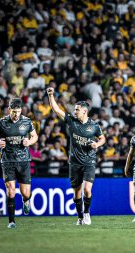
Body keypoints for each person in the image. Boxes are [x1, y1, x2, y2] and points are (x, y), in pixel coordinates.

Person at [46, 87, 106, 225]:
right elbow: (56, 110)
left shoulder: (94, 126)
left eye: (77, 109)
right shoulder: (72, 121)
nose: (75, 111)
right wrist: (51, 95)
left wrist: (97, 144)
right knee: (77, 193)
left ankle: (86, 213)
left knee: (87, 189)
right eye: (75, 109)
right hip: (74, 162)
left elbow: (102, 139)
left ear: (85, 111)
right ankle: (80, 216)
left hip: (89, 161)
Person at [0, 98, 38, 228]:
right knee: (11, 190)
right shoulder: (2, 123)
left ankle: (26, 200)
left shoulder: (26, 121)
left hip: (24, 161)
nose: (16, 115)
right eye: (14, 112)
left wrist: (30, 142)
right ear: (9, 110)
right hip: (8, 161)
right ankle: (11, 221)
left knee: (25, 193)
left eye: (19, 112)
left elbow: (35, 136)